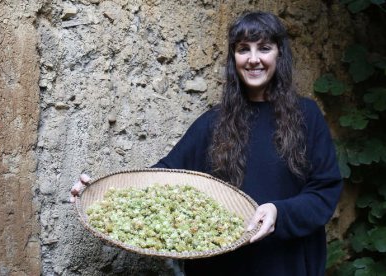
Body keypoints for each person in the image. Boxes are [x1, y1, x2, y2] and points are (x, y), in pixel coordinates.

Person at [71, 11, 343, 276]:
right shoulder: (213, 123)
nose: (253, 59)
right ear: (233, 58)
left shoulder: (307, 117)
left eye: (264, 48)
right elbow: (161, 178)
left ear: (279, 54)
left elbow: (324, 191)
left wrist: (278, 212)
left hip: (286, 263)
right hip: (222, 267)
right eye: (243, 49)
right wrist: (99, 192)